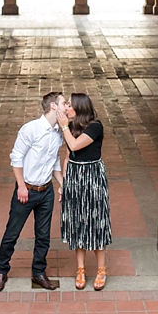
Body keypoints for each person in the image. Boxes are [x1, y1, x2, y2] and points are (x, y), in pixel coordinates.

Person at [0, 92, 67, 292]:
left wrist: (62, 183)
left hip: (46, 191)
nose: (67, 106)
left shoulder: (59, 132)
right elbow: (16, 158)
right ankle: (1, 270)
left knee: (43, 235)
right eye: (64, 103)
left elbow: (54, 161)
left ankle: (39, 272)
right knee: (12, 232)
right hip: (26, 190)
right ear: (53, 106)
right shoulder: (31, 129)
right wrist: (22, 186)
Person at [56, 93, 112, 291]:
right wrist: (63, 183)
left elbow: (75, 145)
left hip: (92, 178)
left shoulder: (95, 127)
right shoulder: (72, 127)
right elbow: (68, 156)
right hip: (75, 177)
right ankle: (80, 269)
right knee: (77, 223)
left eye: (69, 105)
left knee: (96, 223)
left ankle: (101, 270)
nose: (66, 108)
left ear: (79, 108)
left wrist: (63, 126)